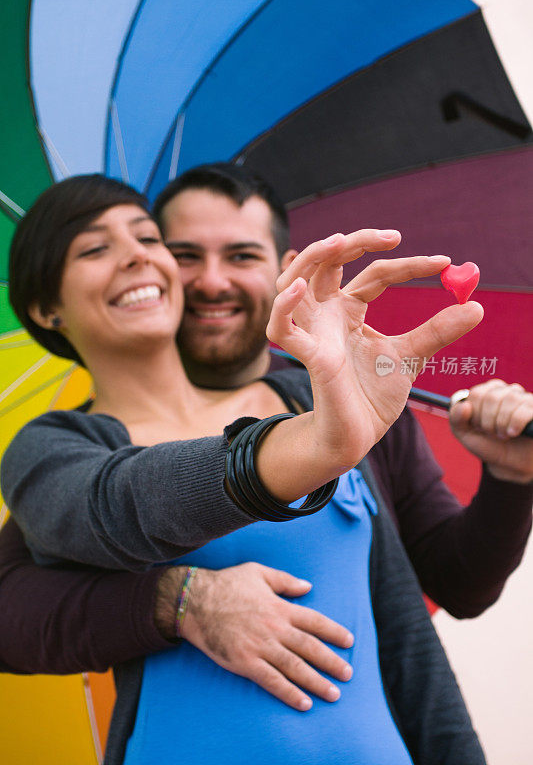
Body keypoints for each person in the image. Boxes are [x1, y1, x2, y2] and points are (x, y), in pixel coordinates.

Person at [1, 174, 486, 764]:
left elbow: (410, 644)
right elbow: (116, 507)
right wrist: (180, 596)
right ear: (46, 309)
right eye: (95, 248)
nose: (136, 256)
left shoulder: (315, 397)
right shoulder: (54, 445)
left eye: (147, 237)